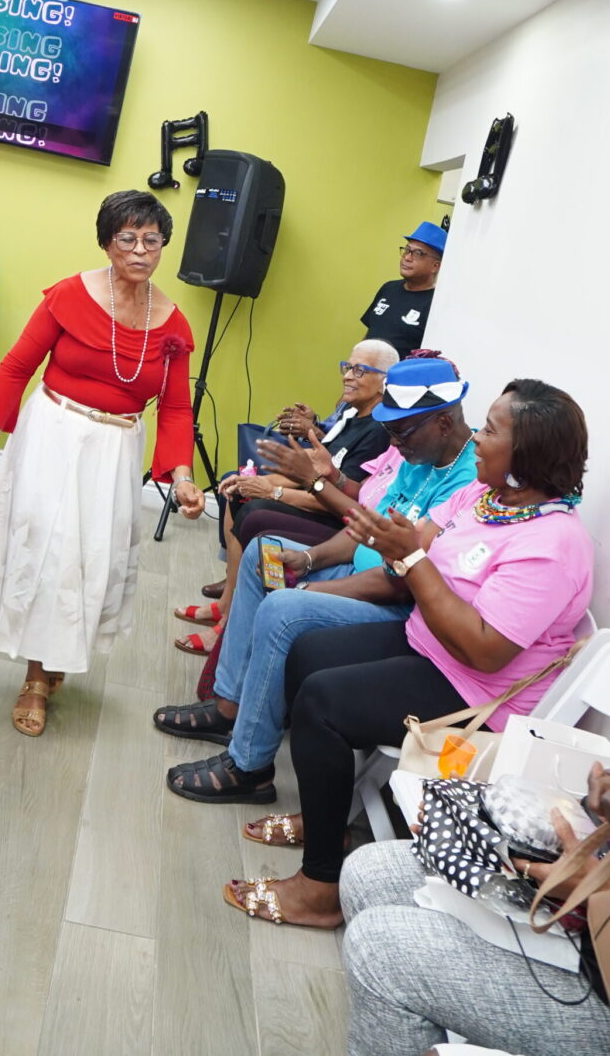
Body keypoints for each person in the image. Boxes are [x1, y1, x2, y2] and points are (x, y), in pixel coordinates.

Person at [220, 377, 593, 930]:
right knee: (307, 650)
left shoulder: (554, 545)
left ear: (527, 453)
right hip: (429, 644)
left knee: (322, 702)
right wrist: (376, 534)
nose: (477, 438)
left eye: (491, 431)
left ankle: (320, 887)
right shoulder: (484, 498)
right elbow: (414, 545)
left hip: (475, 692)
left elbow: (484, 650)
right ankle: (329, 819)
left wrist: (410, 558)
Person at [157, 355, 478, 804]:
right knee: (263, 553)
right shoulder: (420, 452)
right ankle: (228, 704)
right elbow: (363, 528)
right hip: (358, 572)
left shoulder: (467, 482)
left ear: (443, 422)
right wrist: (307, 559)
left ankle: (249, 767)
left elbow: (399, 582)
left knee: (283, 608)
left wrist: (310, 588)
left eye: (401, 431)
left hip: (392, 605)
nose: (393, 442)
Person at [0, 189, 204, 736]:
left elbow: (176, 407)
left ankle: (58, 649)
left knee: (93, 554)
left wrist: (183, 478)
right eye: (128, 239)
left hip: (116, 448)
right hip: (54, 430)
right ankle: (36, 676)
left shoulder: (173, 324)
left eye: (152, 240)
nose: (140, 251)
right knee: (49, 549)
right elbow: (16, 367)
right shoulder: (70, 295)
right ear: (107, 243)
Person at [341, 760, 610, 1055]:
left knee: (376, 952)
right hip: (579, 912)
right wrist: (474, 818)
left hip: (600, 980)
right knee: (368, 872)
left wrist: (594, 887)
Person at [174, 341, 398, 655]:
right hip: (315, 494)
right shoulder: (350, 412)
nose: (348, 376)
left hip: (335, 518)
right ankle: (227, 603)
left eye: (360, 370)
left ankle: (227, 624)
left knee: (254, 511)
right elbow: (311, 467)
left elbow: (338, 495)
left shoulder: (378, 432)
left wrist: (272, 491)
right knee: (237, 489)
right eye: (347, 367)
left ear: (385, 381)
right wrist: (257, 480)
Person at [360, 221, 446, 357]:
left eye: (418, 253)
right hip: (366, 369)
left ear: (435, 266)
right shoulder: (389, 288)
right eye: (407, 250)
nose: (407, 257)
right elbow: (369, 334)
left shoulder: (436, 304)